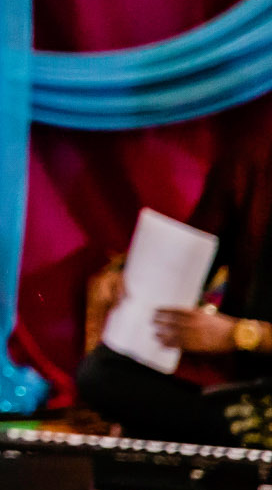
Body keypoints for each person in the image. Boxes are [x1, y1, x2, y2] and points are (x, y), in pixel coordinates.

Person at [77, 126, 272, 447]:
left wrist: (240, 334)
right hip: (247, 392)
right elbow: (194, 252)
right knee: (101, 374)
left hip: (249, 373)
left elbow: (237, 333)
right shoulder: (255, 151)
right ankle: (241, 431)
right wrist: (127, 279)